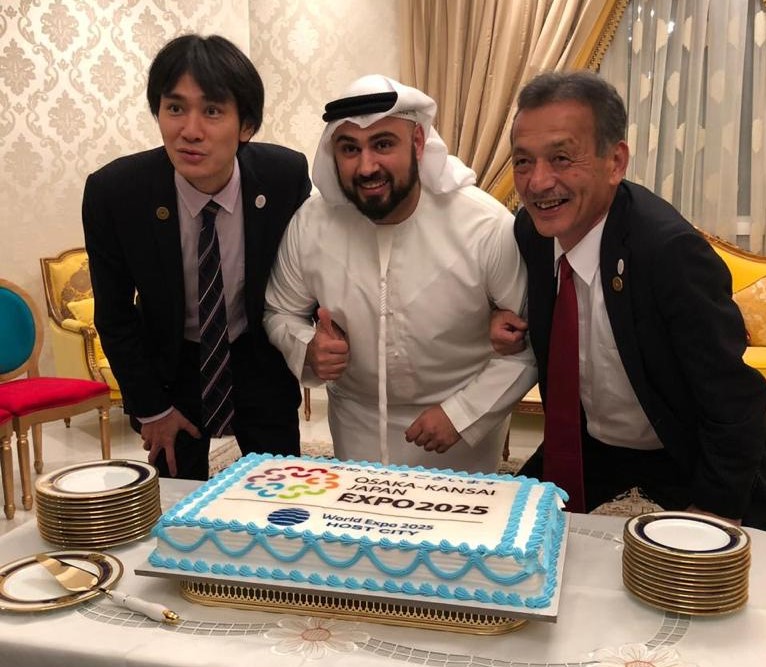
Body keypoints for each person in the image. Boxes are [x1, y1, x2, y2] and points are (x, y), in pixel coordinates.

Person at [490, 70, 766, 527]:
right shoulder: (533, 232)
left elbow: (733, 398)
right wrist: (498, 314)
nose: (537, 183)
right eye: (523, 161)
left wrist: (716, 507)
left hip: (682, 443)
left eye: (561, 158)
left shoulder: (668, 252)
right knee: (514, 530)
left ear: (615, 162)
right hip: (592, 442)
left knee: (734, 573)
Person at [264, 74, 536, 473]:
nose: (366, 165)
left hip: (460, 430)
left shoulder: (484, 224)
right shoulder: (311, 225)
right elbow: (279, 311)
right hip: (356, 422)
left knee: (457, 533)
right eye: (349, 149)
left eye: (383, 144)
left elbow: (529, 344)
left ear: (419, 143)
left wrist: (461, 414)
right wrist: (307, 347)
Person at [83, 34, 311, 480]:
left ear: (245, 125)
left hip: (257, 359)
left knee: (280, 502)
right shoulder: (116, 193)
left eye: (211, 110)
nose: (189, 130)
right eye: (174, 108)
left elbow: (307, 276)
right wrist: (151, 409)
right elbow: (114, 315)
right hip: (171, 368)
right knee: (175, 508)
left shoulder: (284, 177)